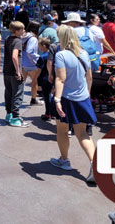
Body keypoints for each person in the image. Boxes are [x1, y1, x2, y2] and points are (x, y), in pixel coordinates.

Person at [50, 25, 97, 184]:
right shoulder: (84, 53)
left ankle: (64, 161)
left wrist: (57, 99)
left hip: (66, 98)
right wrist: (88, 94)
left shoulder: (61, 55)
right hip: (82, 98)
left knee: (62, 131)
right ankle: (95, 164)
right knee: (83, 134)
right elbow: (89, 77)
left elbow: (60, 79)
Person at [3, 21, 28, 127]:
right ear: (17, 31)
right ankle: (15, 117)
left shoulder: (8, 39)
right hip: (13, 72)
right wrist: (18, 71)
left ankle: (9, 114)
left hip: (6, 71)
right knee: (17, 94)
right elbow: (14, 56)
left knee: (9, 92)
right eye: (22, 30)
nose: (24, 31)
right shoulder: (17, 41)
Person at [22, 21, 42, 106]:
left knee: (21, 82)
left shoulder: (23, 36)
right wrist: (37, 58)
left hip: (22, 62)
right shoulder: (33, 39)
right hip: (31, 64)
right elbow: (30, 51)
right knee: (34, 82)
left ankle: (17, 99)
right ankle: (33, 99)